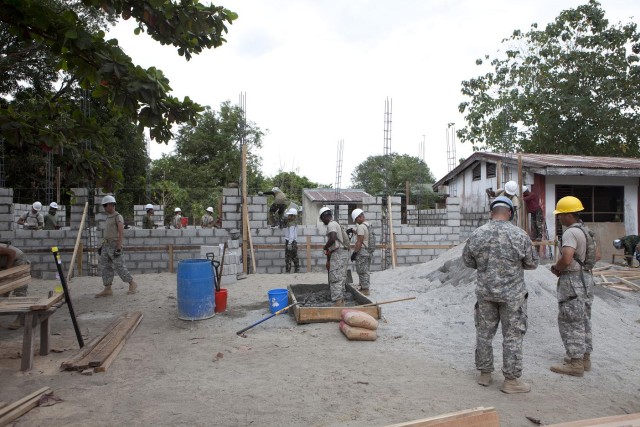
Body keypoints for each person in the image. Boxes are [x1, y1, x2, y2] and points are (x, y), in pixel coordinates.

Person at [462, 196, 538, 393]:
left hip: (485, 293)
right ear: (510, 213)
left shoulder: (477, 234)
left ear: (491, 212)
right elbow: (532, 263)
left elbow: (468, 261)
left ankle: (485, 374)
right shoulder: (520, 235)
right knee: (512, 336)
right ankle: (511, 381)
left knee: (484, 334)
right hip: (512, 296)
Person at [550, 196, 599, 377]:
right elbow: (598, 256)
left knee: (571, 320)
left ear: (568, 215)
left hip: (572, 281)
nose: (559, 218)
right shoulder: (587, 231)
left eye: (560, 215)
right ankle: (585, 359)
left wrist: (556, 268)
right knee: (584, 318)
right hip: (587, 279)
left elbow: (567, 258)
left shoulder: (571, 233)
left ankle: (575, 363)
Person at [95, 195, 137, 297]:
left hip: (114, 245)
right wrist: (102, 246)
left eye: (105, 205)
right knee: (106, 267)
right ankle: (107, 289)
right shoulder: (108, 218)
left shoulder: (118, 217)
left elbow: (121, 232)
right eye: (104, 206)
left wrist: (118, 247)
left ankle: (132, 283)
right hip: (106, 245)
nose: (104, 208)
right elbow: (108, 233)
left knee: (119, 266)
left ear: (111, 205)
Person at [320, 207, 349, 306]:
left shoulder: (331, 224)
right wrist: (328, 260)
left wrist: (325, 247)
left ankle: (337, 302)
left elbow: (332, 238)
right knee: (341, 277)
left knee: (335, 277)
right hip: (342, 253)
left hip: (338, 254)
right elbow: (333, 246)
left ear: (324, 216)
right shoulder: (336, 223)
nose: (322, 221)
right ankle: (341, 299)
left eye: (322, 219)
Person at [0, 243, 30, 329]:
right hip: (5, 263)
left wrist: (7, 271)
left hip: (18, 260)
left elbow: (11, 253)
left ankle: (21, 319)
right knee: (2, 290)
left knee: (19, 290)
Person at [350, 208, 374, 296]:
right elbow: (365, 235)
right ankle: (363, 287)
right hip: (368, 251)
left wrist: (354, 253)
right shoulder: (368, 225)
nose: (356, 222)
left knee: (362, 271)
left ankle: (365, 289)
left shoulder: (361, 227)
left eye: (356, 219)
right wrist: (353, 230)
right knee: (365, 270)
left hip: (362, 252)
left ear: (359, 217)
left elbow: (359, 241)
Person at [283, 208, 300, 273]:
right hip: (293, 242)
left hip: (291, 242)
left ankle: (288, 271)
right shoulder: (292, 223)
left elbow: (291, 235)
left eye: (289, 215)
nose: (288, 216)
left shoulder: (292, 224)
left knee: (288, 258)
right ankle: (297, 270)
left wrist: (289, 243)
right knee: (294, 256)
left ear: (293, 216)